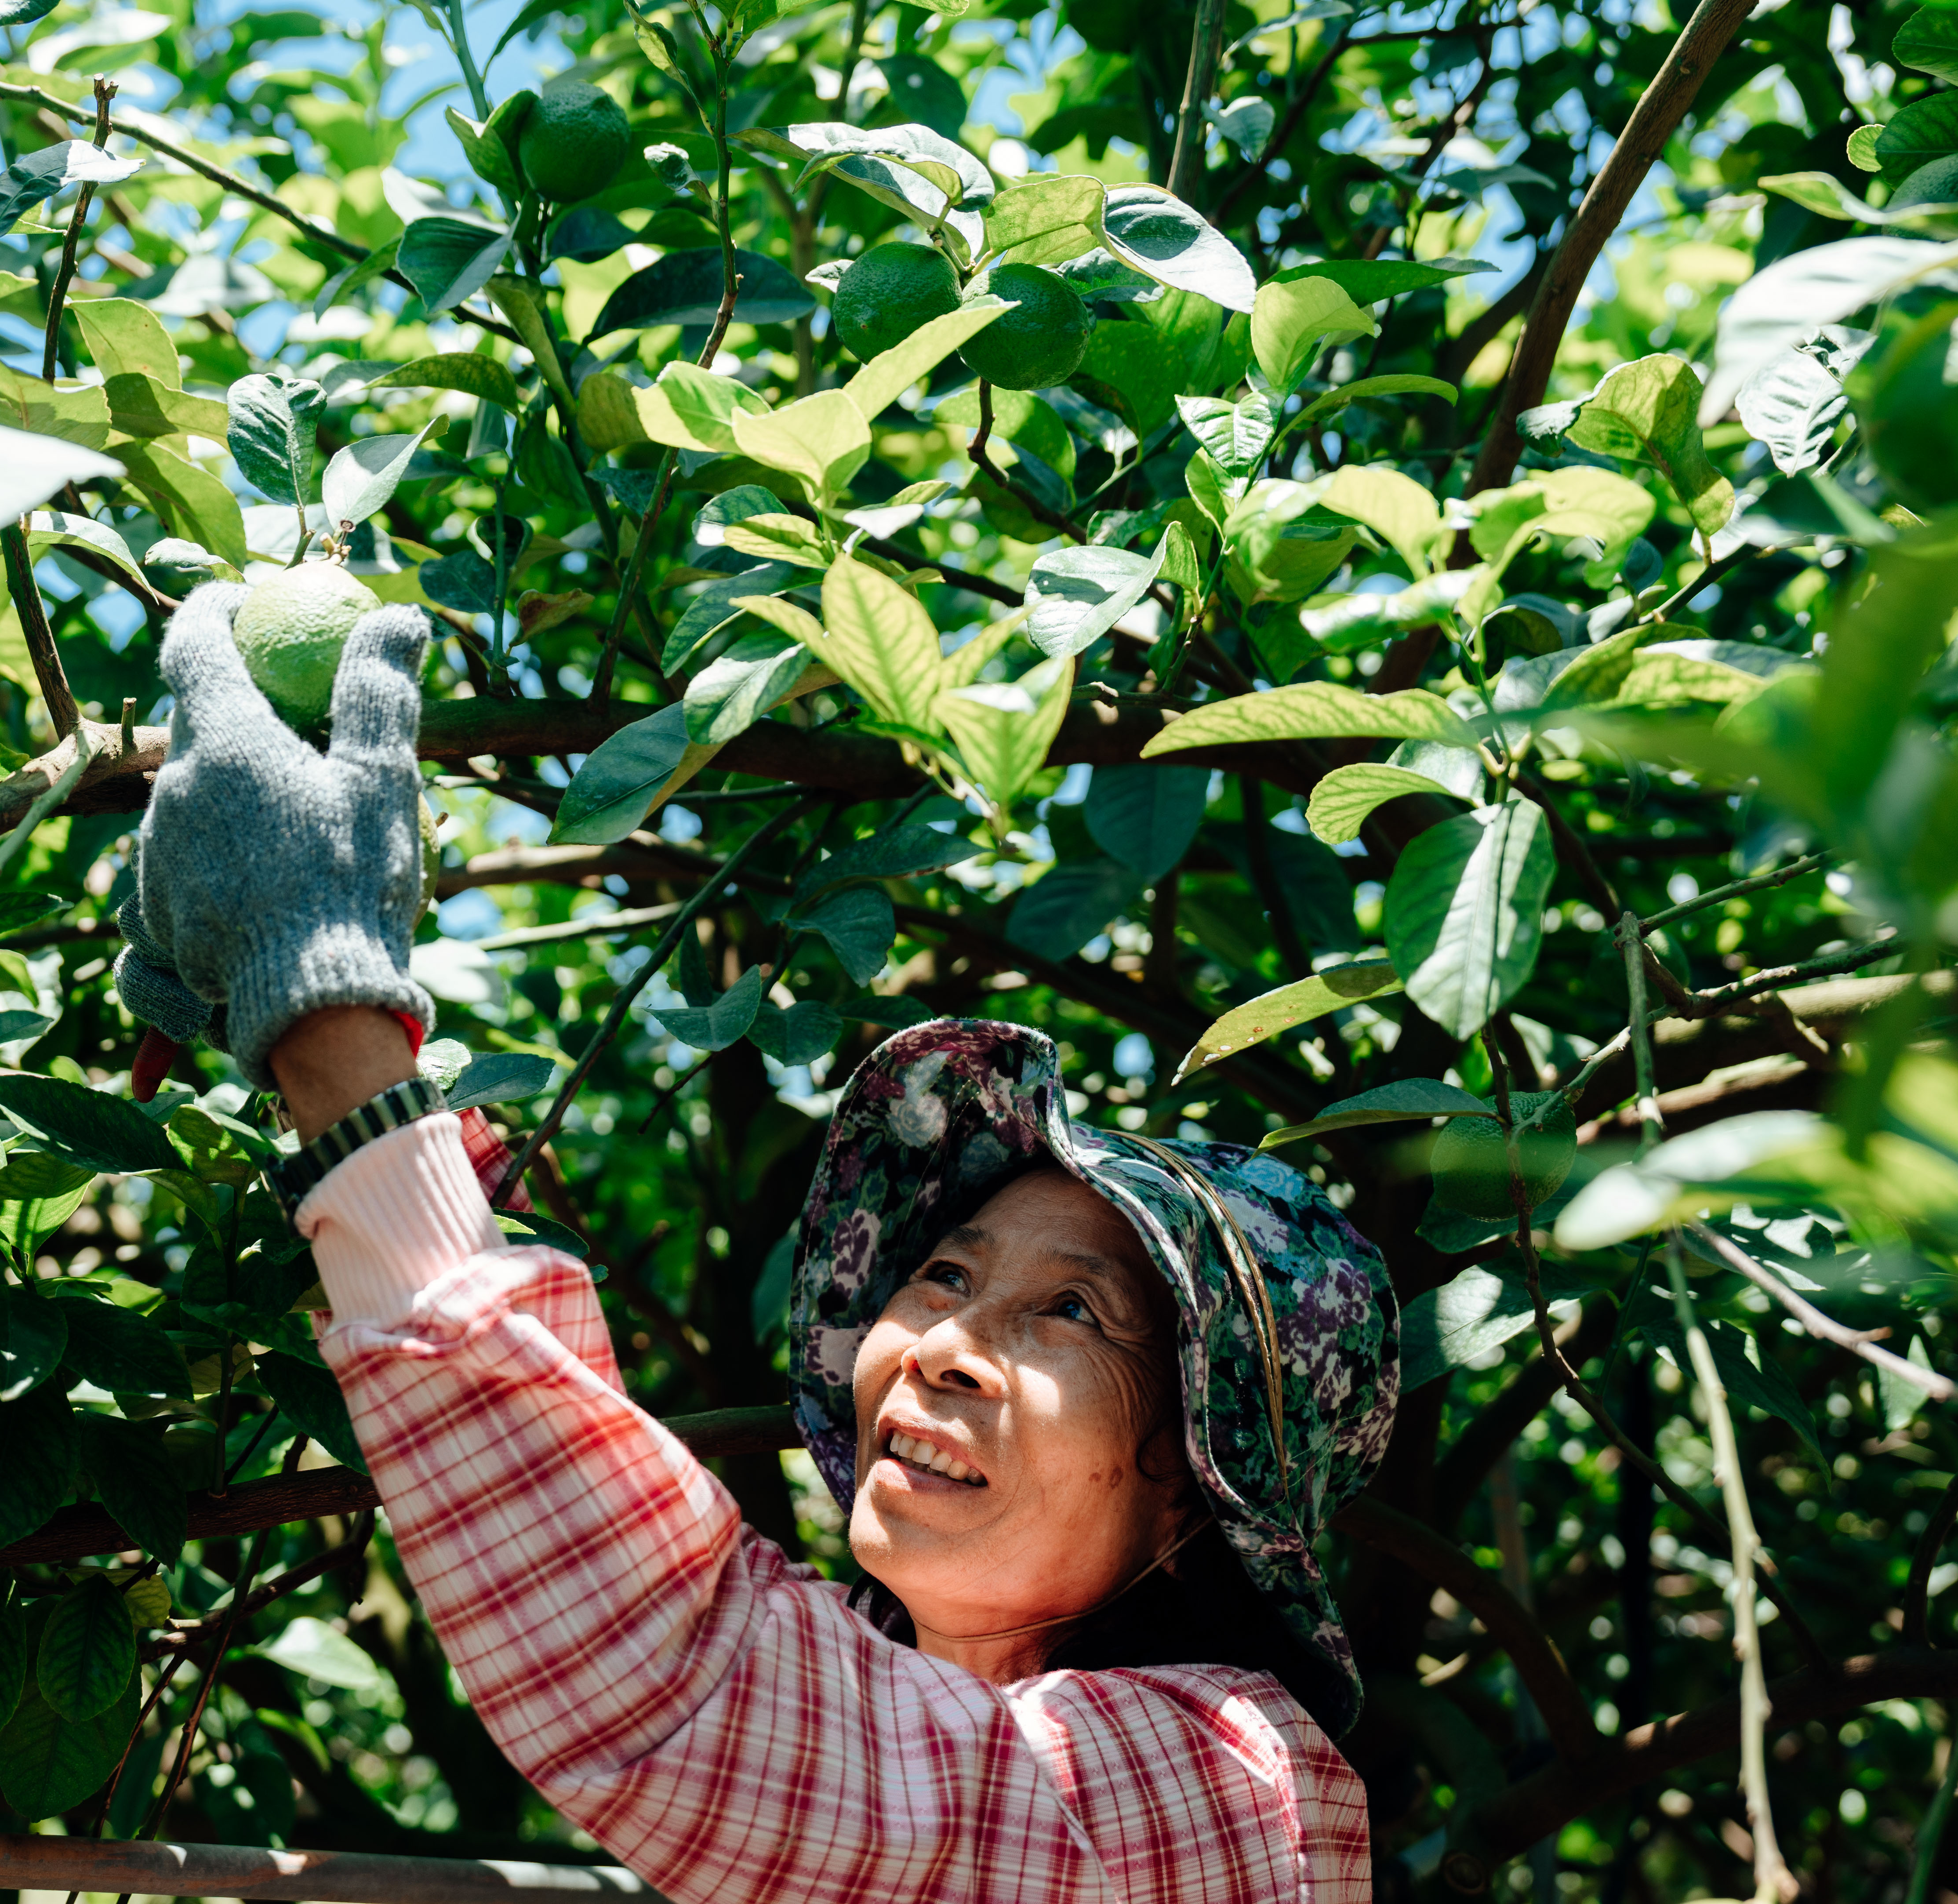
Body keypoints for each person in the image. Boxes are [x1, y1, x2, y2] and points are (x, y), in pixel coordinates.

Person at [114, 584, 1403, 1901]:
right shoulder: (870, 1678)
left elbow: (691, 1685)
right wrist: (287, 1027)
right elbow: (603, 1543)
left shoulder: (1243, 1793)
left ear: (1191, 1488)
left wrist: (323, 999)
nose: (947, 1342)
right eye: (943, 1273)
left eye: (1071, 1312)